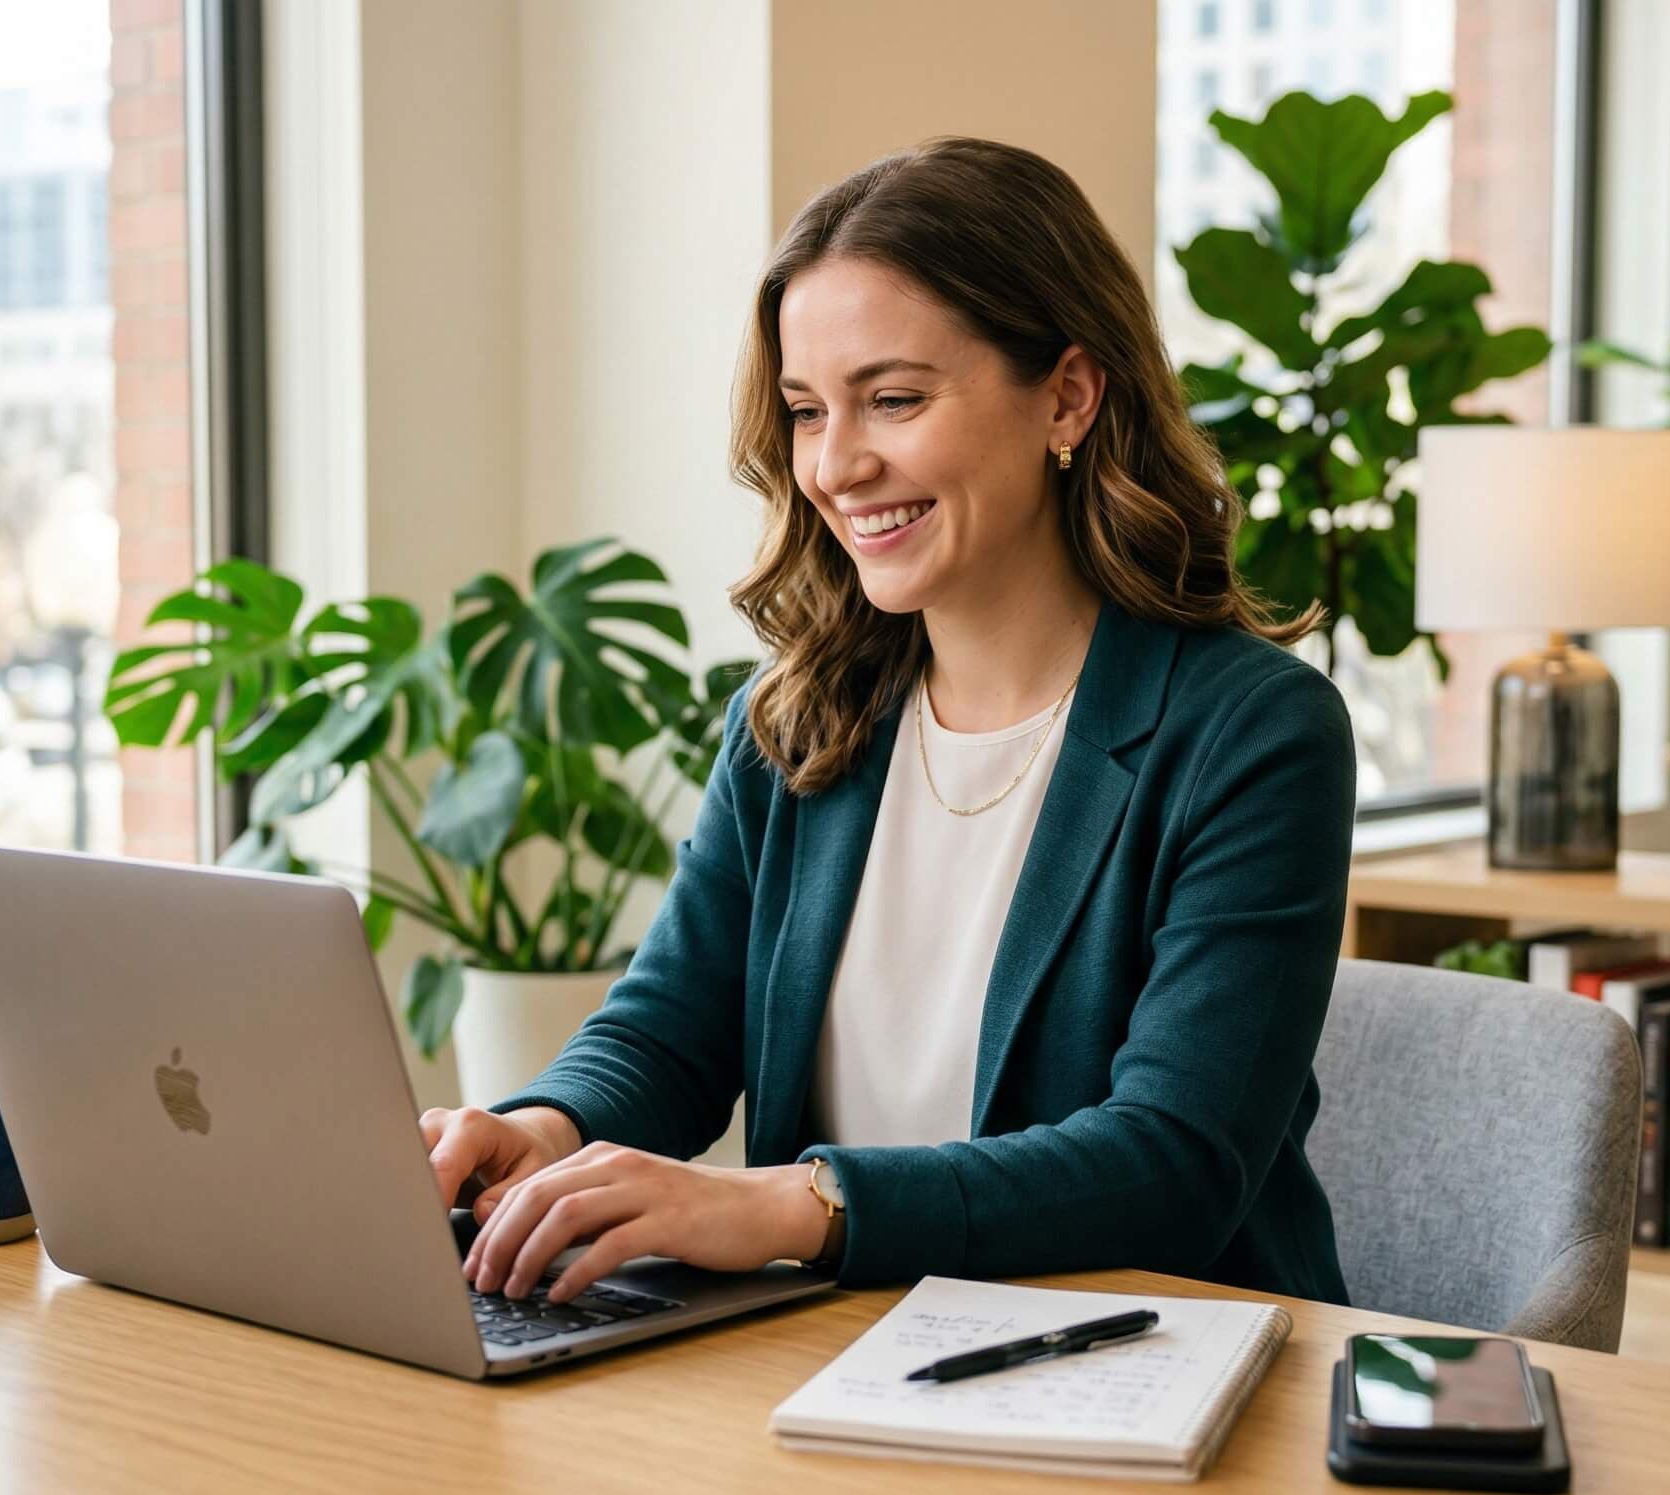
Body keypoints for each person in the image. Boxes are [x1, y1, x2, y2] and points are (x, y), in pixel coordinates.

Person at [422, 137, 1357, 1308]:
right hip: (845, 1359)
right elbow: (669, 1031)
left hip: (1151, 1365)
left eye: (894, 400)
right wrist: (544, 1133)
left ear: (1067, 393)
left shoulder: (1251, 734)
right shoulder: (796, 720)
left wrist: (790, 1205)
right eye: (809, 412)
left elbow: (1174, 1161)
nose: (836, 465)